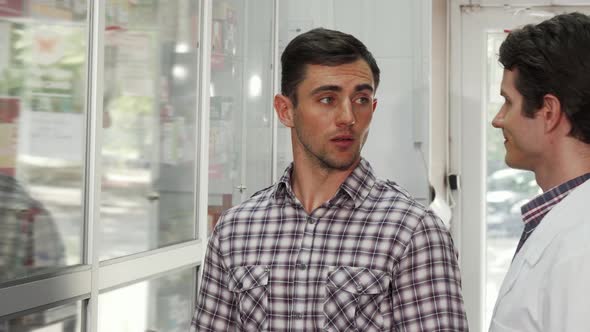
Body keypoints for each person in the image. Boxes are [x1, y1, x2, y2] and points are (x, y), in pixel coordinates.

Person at [191, 28, 468, 331]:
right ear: (286, 111)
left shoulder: (413, 231)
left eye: (361, 99)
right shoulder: (235, 229)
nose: (348, 117)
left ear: (373, 108)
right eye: (327, 99)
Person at [489, 12, 590, 331]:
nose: (498, 119)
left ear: (548, 112)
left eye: (508, 102)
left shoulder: (581, 247)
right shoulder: (566, 223)